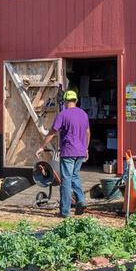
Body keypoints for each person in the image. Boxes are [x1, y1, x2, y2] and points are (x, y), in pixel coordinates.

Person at [36, 90, 89, 218]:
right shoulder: (83, 114)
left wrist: (42, 147)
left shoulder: (63, 115)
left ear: (65, 101)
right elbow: (87, 132)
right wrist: (86, 148)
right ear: (76, 101)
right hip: (81, 151)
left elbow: (52, 132)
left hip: (69, 151)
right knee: (75, 176)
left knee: (66, 180)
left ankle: (65, 211)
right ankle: (80, 200)